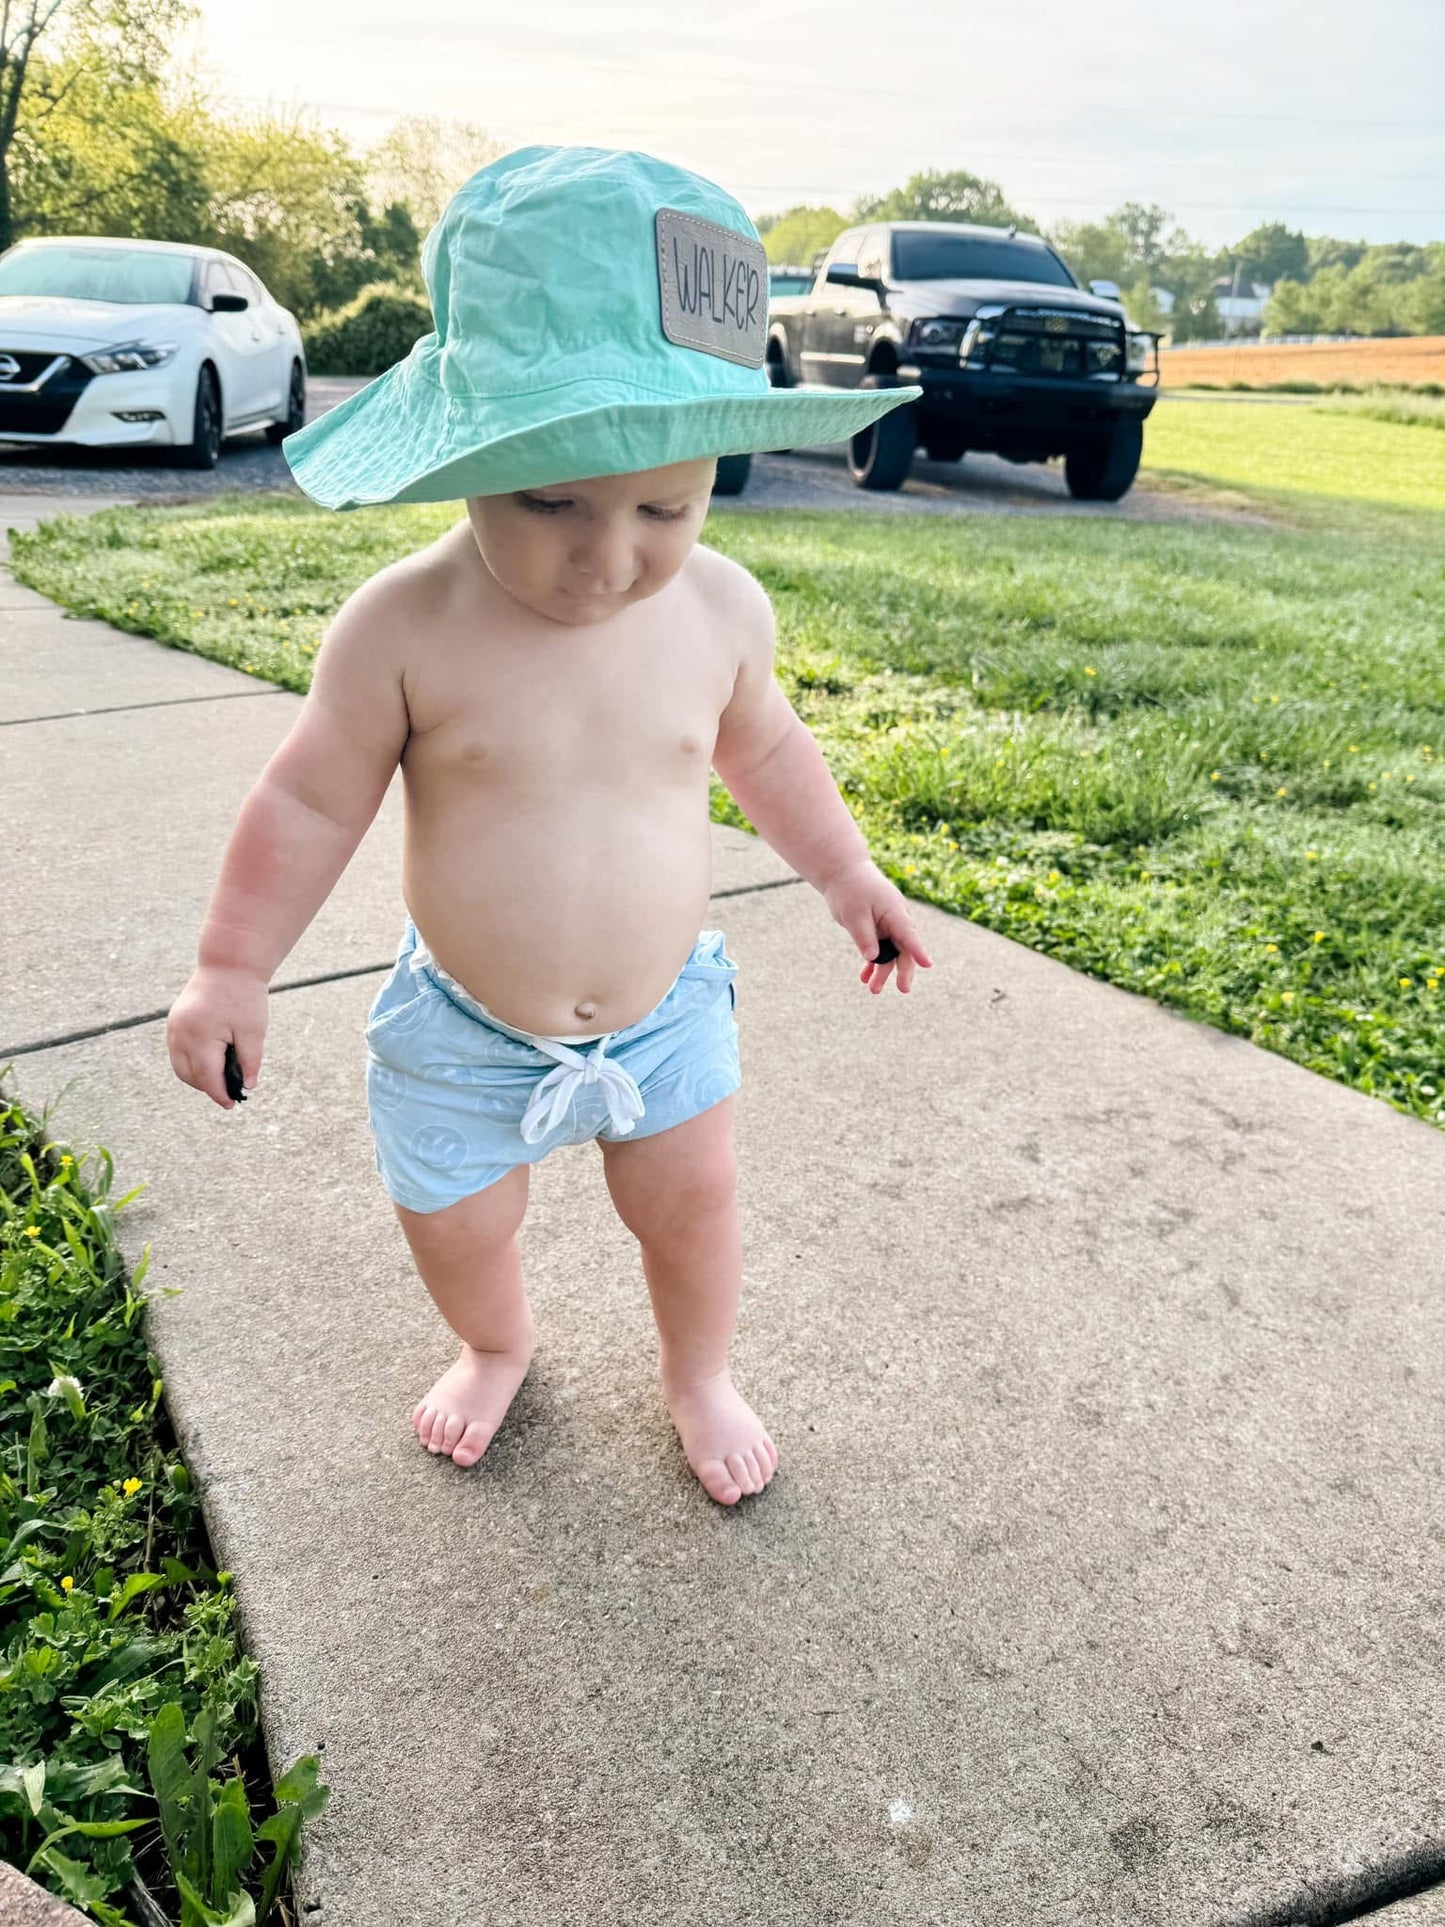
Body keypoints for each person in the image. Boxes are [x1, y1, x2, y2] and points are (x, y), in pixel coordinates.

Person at [166, 145, 932, 1507]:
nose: (608, 556)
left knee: (691, 1206)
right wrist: (232, 967)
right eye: (552, 502)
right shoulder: (405, 628)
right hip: (464, 1025)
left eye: (664, 507)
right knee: (457, 1220)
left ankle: (697, 1373)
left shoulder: (720, 614)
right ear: (469, 459)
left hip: (664, 1010)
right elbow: (309, 797)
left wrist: (845, 873)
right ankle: (495, 1341)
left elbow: (764, 750)